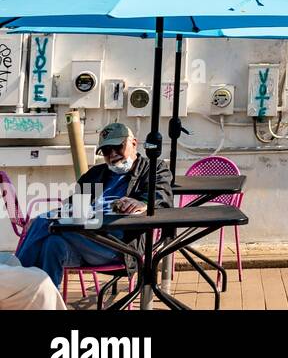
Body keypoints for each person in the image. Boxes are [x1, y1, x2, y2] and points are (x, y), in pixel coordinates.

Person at [16, 122, 172, 288]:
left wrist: (142, 203)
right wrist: (58, 213)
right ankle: (41, 301)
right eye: (106, 150)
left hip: (120, 245)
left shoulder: (153, 168)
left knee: (44, 221)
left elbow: (162, 195)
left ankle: (14, 281)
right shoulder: (95, 173)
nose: (112, 154)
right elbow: (72, 204)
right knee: (53, 243)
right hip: (87, 238)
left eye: (117, 146)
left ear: (134, 143)